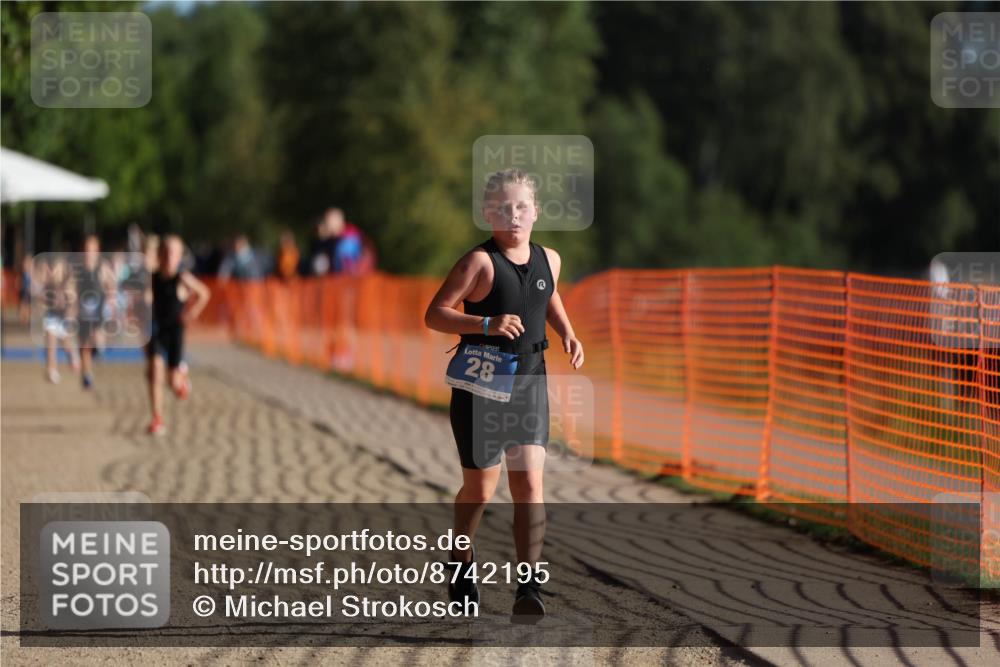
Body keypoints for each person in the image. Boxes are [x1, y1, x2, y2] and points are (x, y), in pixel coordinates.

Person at [424, 168, 584, 621]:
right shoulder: (478, 263)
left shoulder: (550, 259)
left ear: (536, 212)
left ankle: (529, 585)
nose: (513, 215)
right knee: (480, 488)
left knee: (529, 483)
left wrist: (568, 332)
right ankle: (461, 560)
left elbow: (547, 295)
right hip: (482, 385)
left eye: (521, 207)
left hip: (530, 379)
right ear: (487, 213)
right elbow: (435, 314)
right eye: (502, 208)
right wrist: (485, 324)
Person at [145, 235, 211, 436]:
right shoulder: (153, 278)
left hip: (175, 332)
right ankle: (157, 419)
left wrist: (191, 313)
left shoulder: (182, 278)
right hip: (157, 330)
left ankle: (180, 377)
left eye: (173, 253)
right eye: (165, 252)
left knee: (173, 384)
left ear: (180, 257)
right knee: (154, 371)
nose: (168, 257)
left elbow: (204, 293)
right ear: (159, 255)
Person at [75, 235, 118, 389]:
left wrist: (111, 300)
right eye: (86, 250)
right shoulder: (78, 268)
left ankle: (99, 347)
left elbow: (111, 284)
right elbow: (72, 287)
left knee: (97, 336)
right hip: (82, 312)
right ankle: (87, 374)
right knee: (84, 346)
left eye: (92, 250)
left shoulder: (102, 267)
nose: (89, 253)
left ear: (97, 251)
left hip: (99, 309)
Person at [39, 253, 79, 384]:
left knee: (66, 344)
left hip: (64, 318)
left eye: (59, 268)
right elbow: (42, 299)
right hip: (51, 317)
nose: (56, 271)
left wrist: (69, 311)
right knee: (51, 342)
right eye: (55, 268)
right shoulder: (49, 283)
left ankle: (72, 356)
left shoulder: (69, 284)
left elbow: (73, 303)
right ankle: (52, 370)